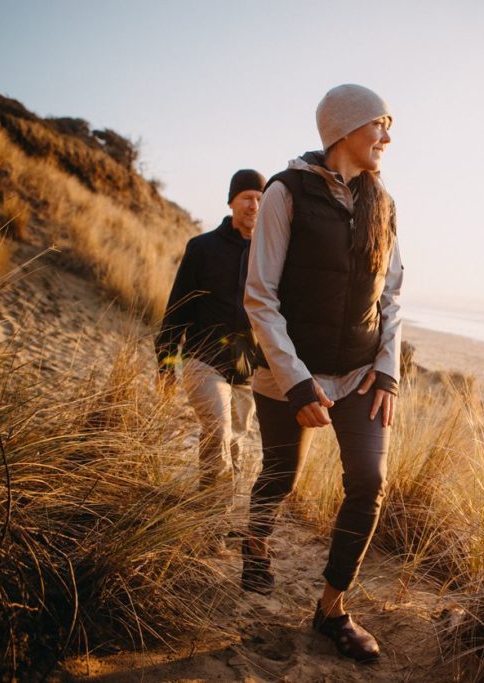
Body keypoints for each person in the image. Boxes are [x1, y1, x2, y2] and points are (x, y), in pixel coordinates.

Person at [242, 84, 403, 663]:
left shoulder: (384, 203)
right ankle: (255, 542)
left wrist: (388, 370)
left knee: (369, 482)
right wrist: (296, 381)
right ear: (344, 128)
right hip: (291, 371)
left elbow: (392, 295)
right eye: (379, 124)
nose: (387, 137)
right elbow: (260, 297)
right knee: (280, 475)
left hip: (360, 373)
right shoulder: (285, 193)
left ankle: (332, 609)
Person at [155, 169, 266, 517]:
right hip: (202, 359)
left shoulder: (270, 254)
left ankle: (210, 508)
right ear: (231, 201)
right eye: (247, 197)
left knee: (234, 442)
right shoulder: (202, 248)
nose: (254, 205)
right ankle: (214, 520)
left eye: (260, 199)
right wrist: (166, 364)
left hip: (245, 369)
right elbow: (177, 309)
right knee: (219, 431)